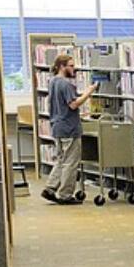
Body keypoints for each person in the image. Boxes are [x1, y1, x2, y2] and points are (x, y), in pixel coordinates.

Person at [42, 54, 97, 205]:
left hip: (58, 127)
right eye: (71, 66)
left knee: (61, 160)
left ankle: (50, 188)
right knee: (71, 162)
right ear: (61, 66)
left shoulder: (53, 81)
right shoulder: (66, 84)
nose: (74, 68)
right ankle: (65, 195)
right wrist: (89, 92)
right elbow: (73, 104)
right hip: (69, 128)